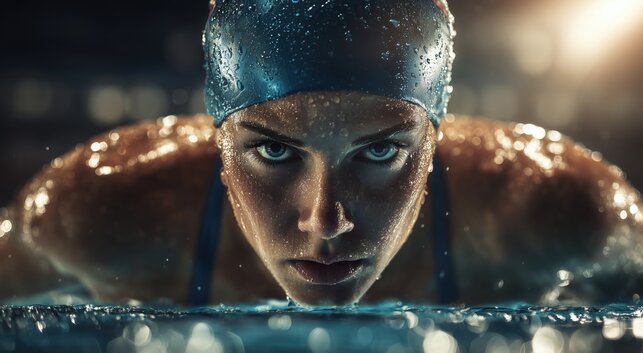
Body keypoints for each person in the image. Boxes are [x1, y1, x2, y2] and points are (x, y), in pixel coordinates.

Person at [1, 0, 642, 306]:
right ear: (218, 145)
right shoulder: (94, 209)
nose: (326, 222)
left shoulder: (551, 208)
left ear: (431, 147)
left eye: (382, 151)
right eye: (275, 155)